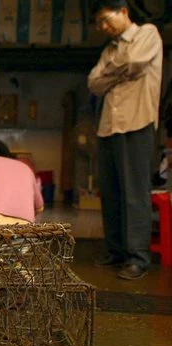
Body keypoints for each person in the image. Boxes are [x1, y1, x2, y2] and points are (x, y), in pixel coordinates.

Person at [88, 0, 163, 280]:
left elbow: (134, 61)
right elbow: (94, 83)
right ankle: (116, 251)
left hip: (137, 123)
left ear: (123, 11)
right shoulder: (109, 49)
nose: (104, 27)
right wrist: (120, 73)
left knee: (134, 193)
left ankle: (137, 258)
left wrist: (111, 73)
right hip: (108, 127)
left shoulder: (148, 33)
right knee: (111, 193)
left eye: (106, 19)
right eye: (99, 24)